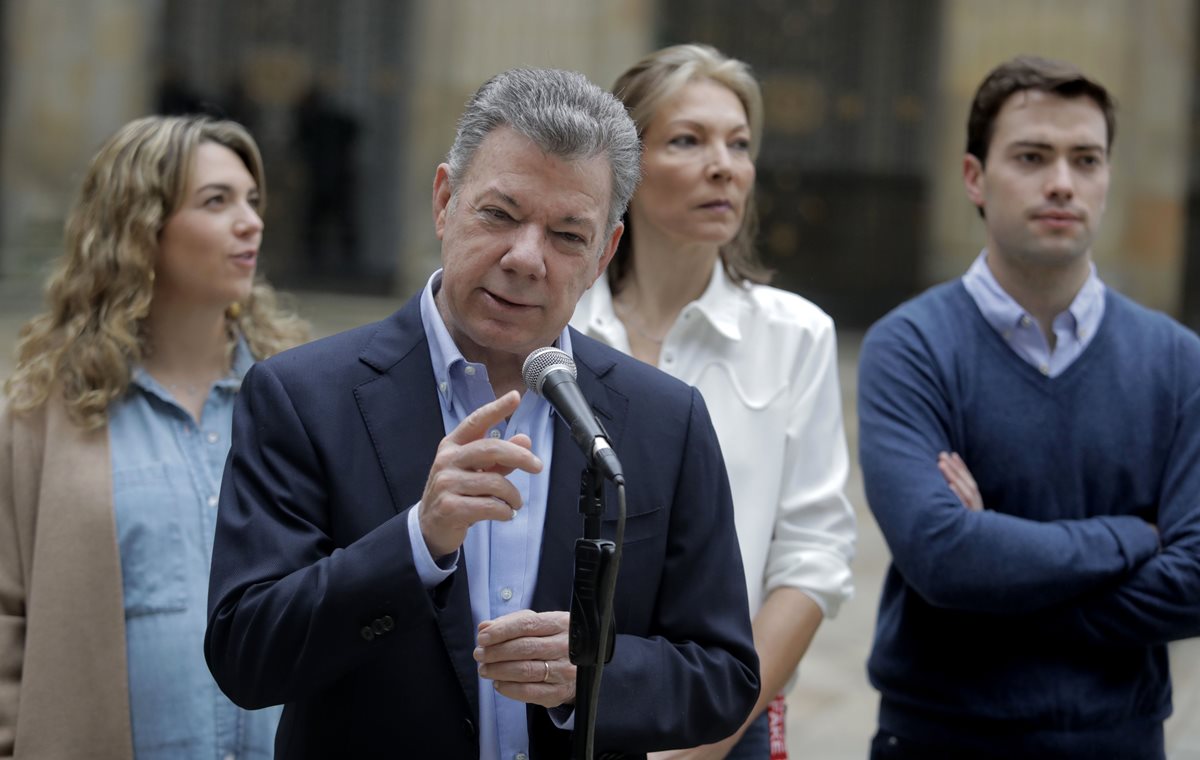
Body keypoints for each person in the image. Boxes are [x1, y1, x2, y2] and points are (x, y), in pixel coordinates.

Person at [204, 67, 759, 759]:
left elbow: (725, 676)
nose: (526, 258)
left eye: (567, 235)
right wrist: (416, 542)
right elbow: (245, 656)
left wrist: (588, 674)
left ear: (604, 254)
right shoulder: (302, 396)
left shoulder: (664, 420)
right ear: (445, 201)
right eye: (499, 215)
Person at [858, 55, 1200, 759]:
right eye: (1033, 156)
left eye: (1087, 159)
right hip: (939, 739)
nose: (1062, 183)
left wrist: (998, 569)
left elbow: (1194, 583)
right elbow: (943, 558)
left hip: (1121, 742)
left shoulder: (1177, 361)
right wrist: (1130, 539)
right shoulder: (910, 347)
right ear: (974, 177)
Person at [571, 44, 855, 759]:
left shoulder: (795, 335)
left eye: (740, 143)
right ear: (625, 167)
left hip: (727, 714)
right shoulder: (559, 326)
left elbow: (813, 557)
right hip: (556, 706)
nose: (724, 164)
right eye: (688, 140)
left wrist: (710, 738)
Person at [0, 115, 310, 758]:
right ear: (140, 227)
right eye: (216, 201)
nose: (250, 221)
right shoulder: (38, 415)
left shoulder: (303, 398)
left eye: (252, 201)